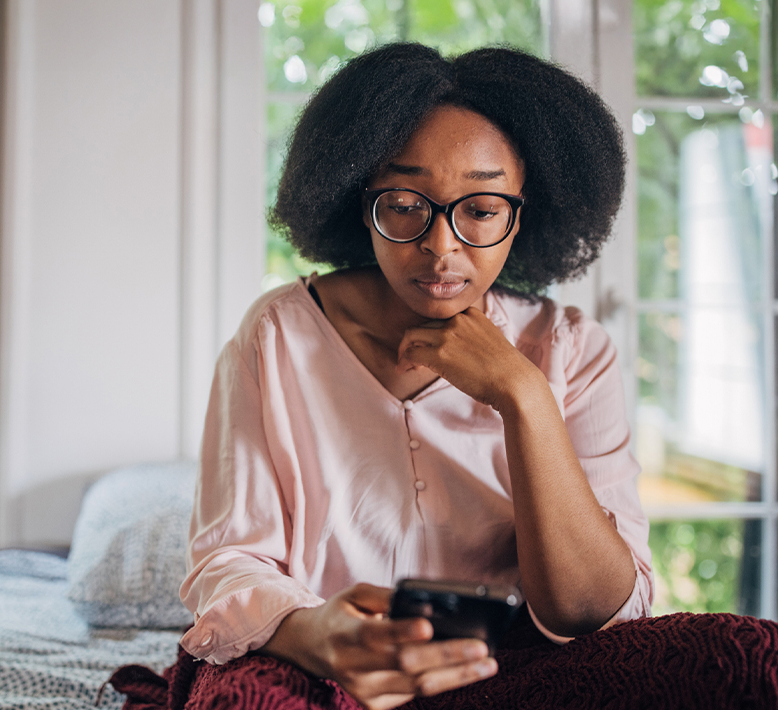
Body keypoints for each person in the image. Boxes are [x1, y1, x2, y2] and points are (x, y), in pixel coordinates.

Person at [178, 43, 653, 710]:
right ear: (355, 197)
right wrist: (316, 634)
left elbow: (596, 610)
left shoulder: (573, 348)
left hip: (520, 673)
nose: (441, 247)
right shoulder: (278, 334)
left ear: (525, 212)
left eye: (482, 209)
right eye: (404, 204)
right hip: (328, 670)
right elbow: (227, 561)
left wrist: (524, 396)